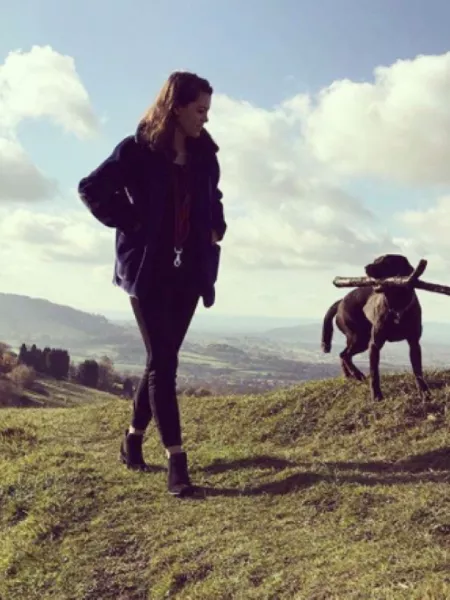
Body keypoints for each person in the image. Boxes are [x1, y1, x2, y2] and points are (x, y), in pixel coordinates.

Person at [78, 72, 226, 497]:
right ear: (176, 106)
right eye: (200, 110)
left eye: (208, 112)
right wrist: (133, 222)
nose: (205, 119)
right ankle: (176, 462)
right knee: (164, 363)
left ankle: (131, 439)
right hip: (147, 272)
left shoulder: (205, 156)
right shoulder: (137, 150)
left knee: (160, 359)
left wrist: (216, 226)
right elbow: (91, 188)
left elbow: (214, 198)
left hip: (190, 271)